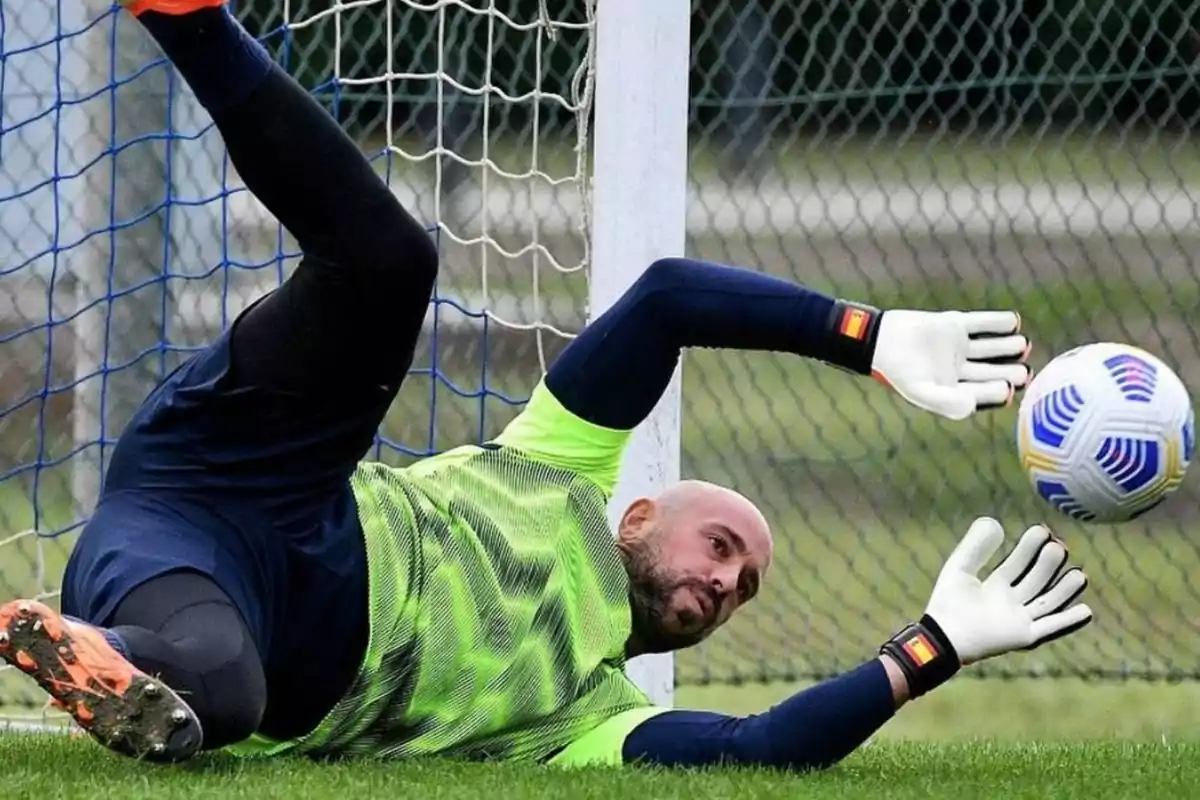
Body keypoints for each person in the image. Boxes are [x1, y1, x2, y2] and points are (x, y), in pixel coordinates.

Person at [0, 0, 1094, 769]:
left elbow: (758, 746)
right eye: (723, 545)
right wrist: (871, 335)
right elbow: (667, 297)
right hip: (256, 471)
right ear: (644, 509)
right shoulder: (559, 461)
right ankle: (188, 15)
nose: (727, 582)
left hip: (197, 589)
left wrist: (934, 643)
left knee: (218, 698)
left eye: (745, 587)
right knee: (392, 266)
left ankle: (79, 647)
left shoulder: (582, 716)